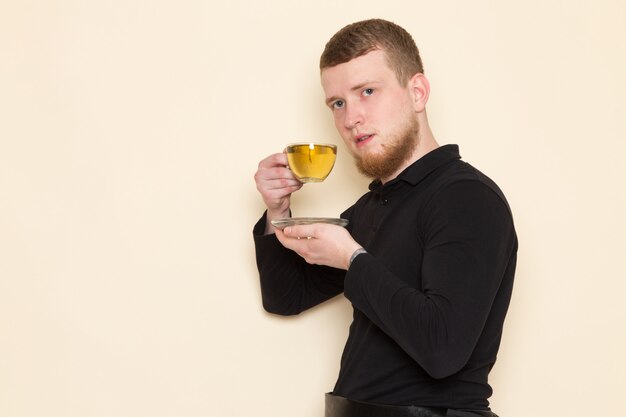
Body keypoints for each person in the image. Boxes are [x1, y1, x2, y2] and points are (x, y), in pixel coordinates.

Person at [252, 18, 517, 417]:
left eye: (367, 92)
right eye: (338, 103)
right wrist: (278, 212)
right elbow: (286, 297)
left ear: (418, 92)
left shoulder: (466, 197)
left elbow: (442, 349)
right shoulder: (375, 206)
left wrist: (353, 259)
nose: (350, 118)